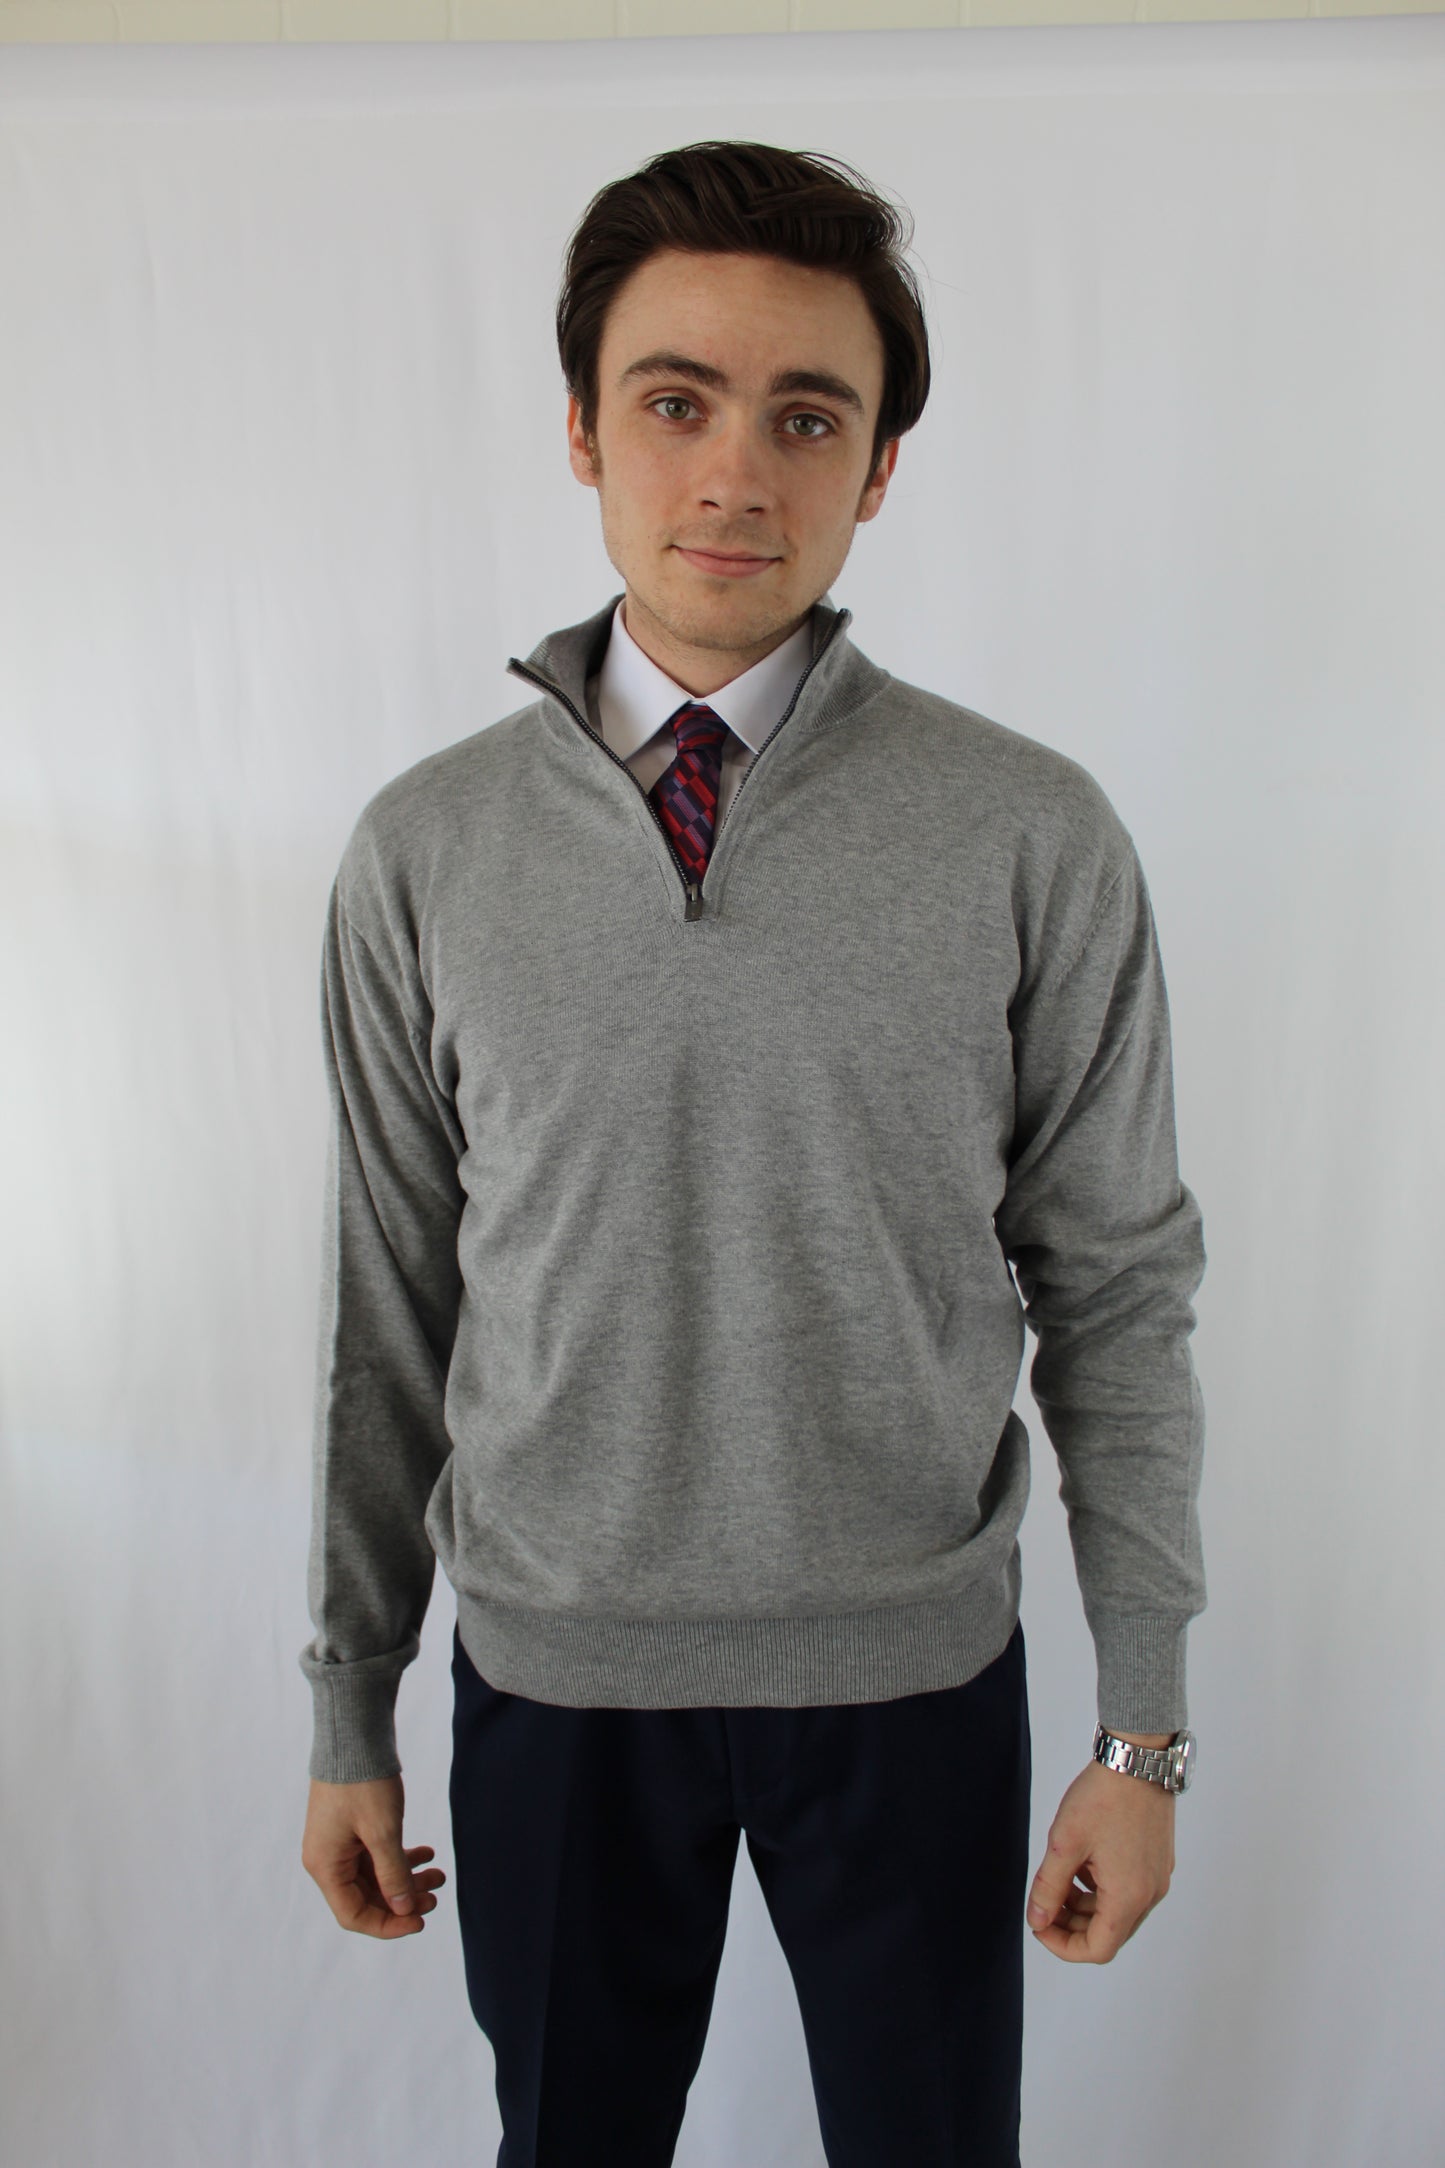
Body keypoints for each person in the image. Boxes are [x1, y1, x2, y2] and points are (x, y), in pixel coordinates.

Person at [298, 138, 1207, 2168]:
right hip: (553, 1681)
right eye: (675, 401)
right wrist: (351, 1699)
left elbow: (1119, 1291)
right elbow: (389, 1304)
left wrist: (1139, 1730)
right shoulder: (425, 850)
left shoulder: (1028, 831)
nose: (734, 473)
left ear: (876, 468)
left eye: (807, 417)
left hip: (913, 1679)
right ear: (581, 430)